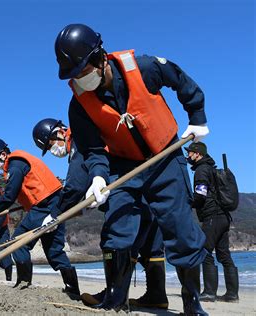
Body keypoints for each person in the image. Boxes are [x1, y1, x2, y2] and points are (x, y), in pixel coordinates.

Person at [54, 23, 208, 314]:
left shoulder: (145, 67)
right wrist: (99, 175)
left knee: (181, 229)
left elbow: (182, 81)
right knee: (117, 228)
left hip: (164, 157)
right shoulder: (78, 106)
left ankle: (192, 302)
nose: (79, 80)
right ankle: (116, 298)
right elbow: (92, 149)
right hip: (122, 167)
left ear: (100, 58)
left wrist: (197, 116)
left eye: (83, 71)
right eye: (74, 76)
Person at [33, 118, 168, 309]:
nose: (53, 150)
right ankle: (157, 296)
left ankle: (114, 298)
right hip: (147, 186)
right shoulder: (98, 131)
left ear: (60, 132)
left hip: (124, 187)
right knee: (149, 243)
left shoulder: (78, 138)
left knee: (115, 239)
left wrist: (55, 213)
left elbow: (74, 185)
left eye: (50, 144)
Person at [0, 137, 80, 299]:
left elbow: (10, 195)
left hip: (44, 205)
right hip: (53, 204)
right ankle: (73, 290)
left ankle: (24, 282)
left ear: (3, 155)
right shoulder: (18, 162)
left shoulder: (15, 164)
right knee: (54, 250)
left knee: (18, 243)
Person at [185, 142, 239, 302]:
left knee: (205, 251)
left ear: (197, 154)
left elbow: (200, 196)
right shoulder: (212, 169)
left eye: (190, 153)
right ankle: (232, 294)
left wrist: (187, 203)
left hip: (212, 217)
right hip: (223, 217)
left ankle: (209, 292)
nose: (188, 156)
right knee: (224, 254)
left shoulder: (201, 170)